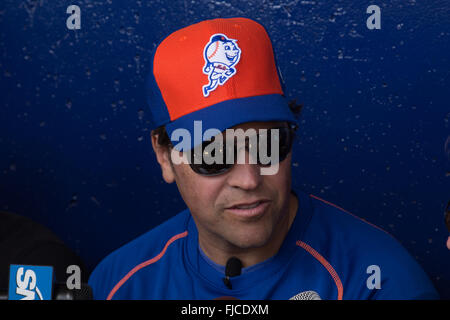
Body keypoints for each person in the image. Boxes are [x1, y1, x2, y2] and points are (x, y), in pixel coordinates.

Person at [88, 17, 439, 300]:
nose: (250, 179)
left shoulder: (379, 282)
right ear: (164, 156)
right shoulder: (118, 283)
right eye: (214, 153)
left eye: (268, 145)